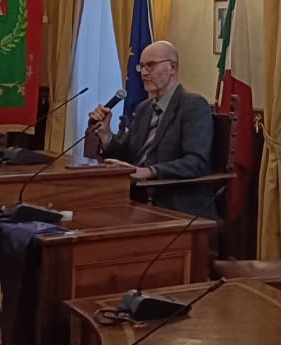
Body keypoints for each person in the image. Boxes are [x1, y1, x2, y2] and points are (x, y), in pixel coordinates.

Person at [87, 40, 216, 218]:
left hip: (172, 200)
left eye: (151, 65)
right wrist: (106, 134)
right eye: (141, 66)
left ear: (172, 67)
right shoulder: (144, 108)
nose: (144, 73)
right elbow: (127, 154)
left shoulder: (193, 106)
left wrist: (149, 172)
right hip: (134, 194)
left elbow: (196, 163)